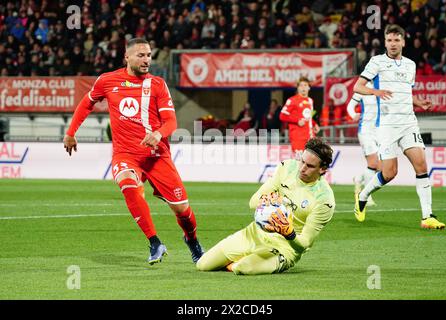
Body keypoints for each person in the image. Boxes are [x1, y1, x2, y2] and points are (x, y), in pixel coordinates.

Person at [63, 38, 205, 264]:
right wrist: (71, 132)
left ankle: (192, 240)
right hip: (126, 154)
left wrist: (158, 134)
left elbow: (171, 122)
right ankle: (155, 242)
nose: (147, 59)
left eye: (149, 55)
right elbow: (87, 103)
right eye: (141, 55)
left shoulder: (157, 84)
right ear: (126, 57)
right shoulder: (107, 81)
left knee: (182, 210)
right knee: (128, 185)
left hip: (157, 157)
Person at [196, 138, 335, 275]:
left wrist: (289, 233)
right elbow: (253, 202)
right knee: (203, 265)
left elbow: (304, 243)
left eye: (310, 166)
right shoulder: (287, 168)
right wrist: (265, 201)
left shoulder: (324, 200)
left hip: (284, 248)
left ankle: (241, 262)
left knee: (243, 268)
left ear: (322, 169)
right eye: (302, 161)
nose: (302, 168)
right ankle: (242, 258)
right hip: (254, 234)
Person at [353, 25, 445, 229]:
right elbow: (358, 87)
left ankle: (427, 216)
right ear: (385, 42)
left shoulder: (410, 65)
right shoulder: (376, 62)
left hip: (408, 123)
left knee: (421, 165)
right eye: (389, 40)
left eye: (396, 40)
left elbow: (405, 94)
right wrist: (375, 92)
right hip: (386, 126)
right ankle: (363, 195)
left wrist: (419, 102)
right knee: (389, 173)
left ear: (403, 42)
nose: (393, 44)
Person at [346, 82, 379, 206]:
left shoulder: (383, 86)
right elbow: (350, 106)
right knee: (373, 163)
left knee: (382, 167)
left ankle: (359, 179)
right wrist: (354, 115)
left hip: (380, 131)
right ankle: (367, 197)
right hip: (366, 131)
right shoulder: (362, 89)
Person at [280, 77, 320, 159]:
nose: (303, 88)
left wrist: (314, 124)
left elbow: (307, 117)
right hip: (298, 138)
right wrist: (297, 121)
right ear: (298, 88)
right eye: (301, 86)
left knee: (311, 163)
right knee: (299, 163)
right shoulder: (292, 100)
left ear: (309, 87)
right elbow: (282, 116)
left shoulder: (310, 100)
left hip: (310, 137)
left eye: (305, 85)